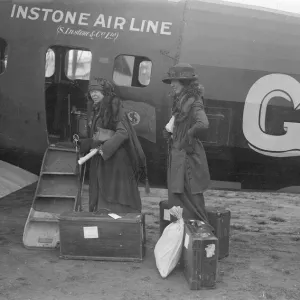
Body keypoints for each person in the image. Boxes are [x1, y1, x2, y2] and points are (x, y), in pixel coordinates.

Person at [79, 77, 148, 213]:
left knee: (114, 194)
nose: (94, 94)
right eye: (91, 91)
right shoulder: (98, 109)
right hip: (104, 160)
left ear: (105, 92)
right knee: (104, 191)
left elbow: (123, 133)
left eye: (97, 91)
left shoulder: (114, 108)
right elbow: (101, 133)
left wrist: (104, 149)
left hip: (115, 161)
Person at [162, 63, 211, 224]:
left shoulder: (193, 100)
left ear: (184, 82)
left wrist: (187, 136)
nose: (172, 84)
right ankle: (181, 235)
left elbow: (203, 123)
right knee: (178, 198)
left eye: (174, 80)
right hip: (178, 156)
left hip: (186, 158)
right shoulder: (182, 99)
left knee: (190, 198)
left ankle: (198, 236)